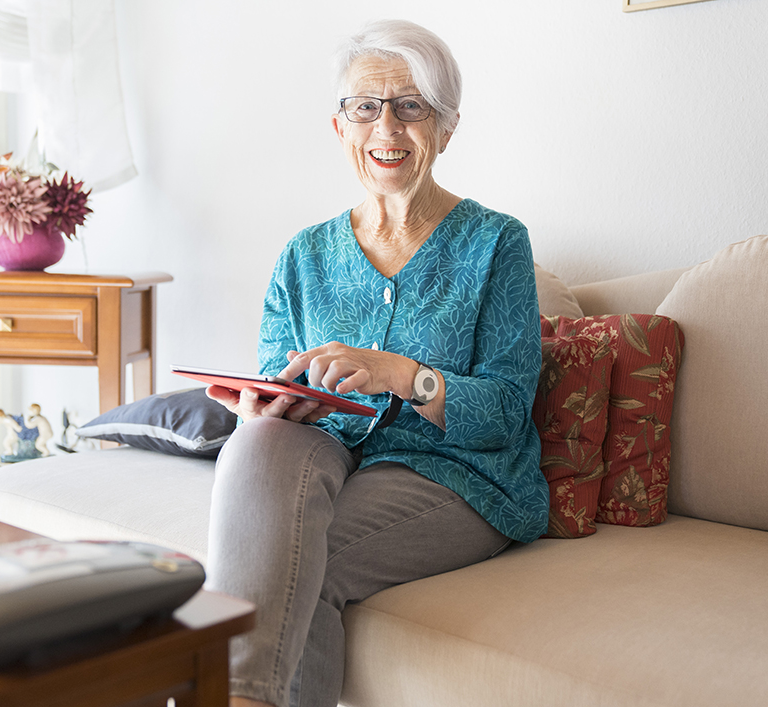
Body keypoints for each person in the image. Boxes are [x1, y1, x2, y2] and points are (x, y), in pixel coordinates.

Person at [204, 19, 548, 707]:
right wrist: (273, 404)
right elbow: (280, 374)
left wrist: (401, 373)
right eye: (365, 106)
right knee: (258, 442)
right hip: (331, 453)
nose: (385, 125)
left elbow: (508, 413)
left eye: (410, 106)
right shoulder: (302, 256)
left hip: (461, 477)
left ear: (445, 128)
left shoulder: (497, 244)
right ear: (341, 127)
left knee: (302, 557)